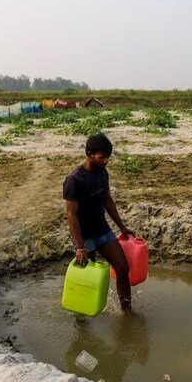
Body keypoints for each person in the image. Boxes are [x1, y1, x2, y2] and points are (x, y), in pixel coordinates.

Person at [62, 132, 136, 311]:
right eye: (102, 157)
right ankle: (82, 319)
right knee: (86, 278)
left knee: (123, 268)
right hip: (85, 238)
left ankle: (127, 312)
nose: (106, 161)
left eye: (107, 157)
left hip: (103, 231)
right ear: (89, 154)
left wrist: (122, 227)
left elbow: (107, 201)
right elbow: (71, 215)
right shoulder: (74, 180)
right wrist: (80, 246)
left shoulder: (102, 172)